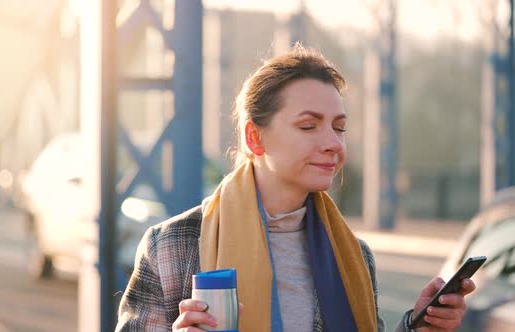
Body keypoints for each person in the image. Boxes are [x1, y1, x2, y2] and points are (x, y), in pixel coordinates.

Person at [115, 44, 475, 332]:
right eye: (308, 126)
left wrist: (419, 326)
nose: (333, 143)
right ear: (255, 137)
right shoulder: (172, 247)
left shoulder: (354, 255)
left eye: (339, 127)